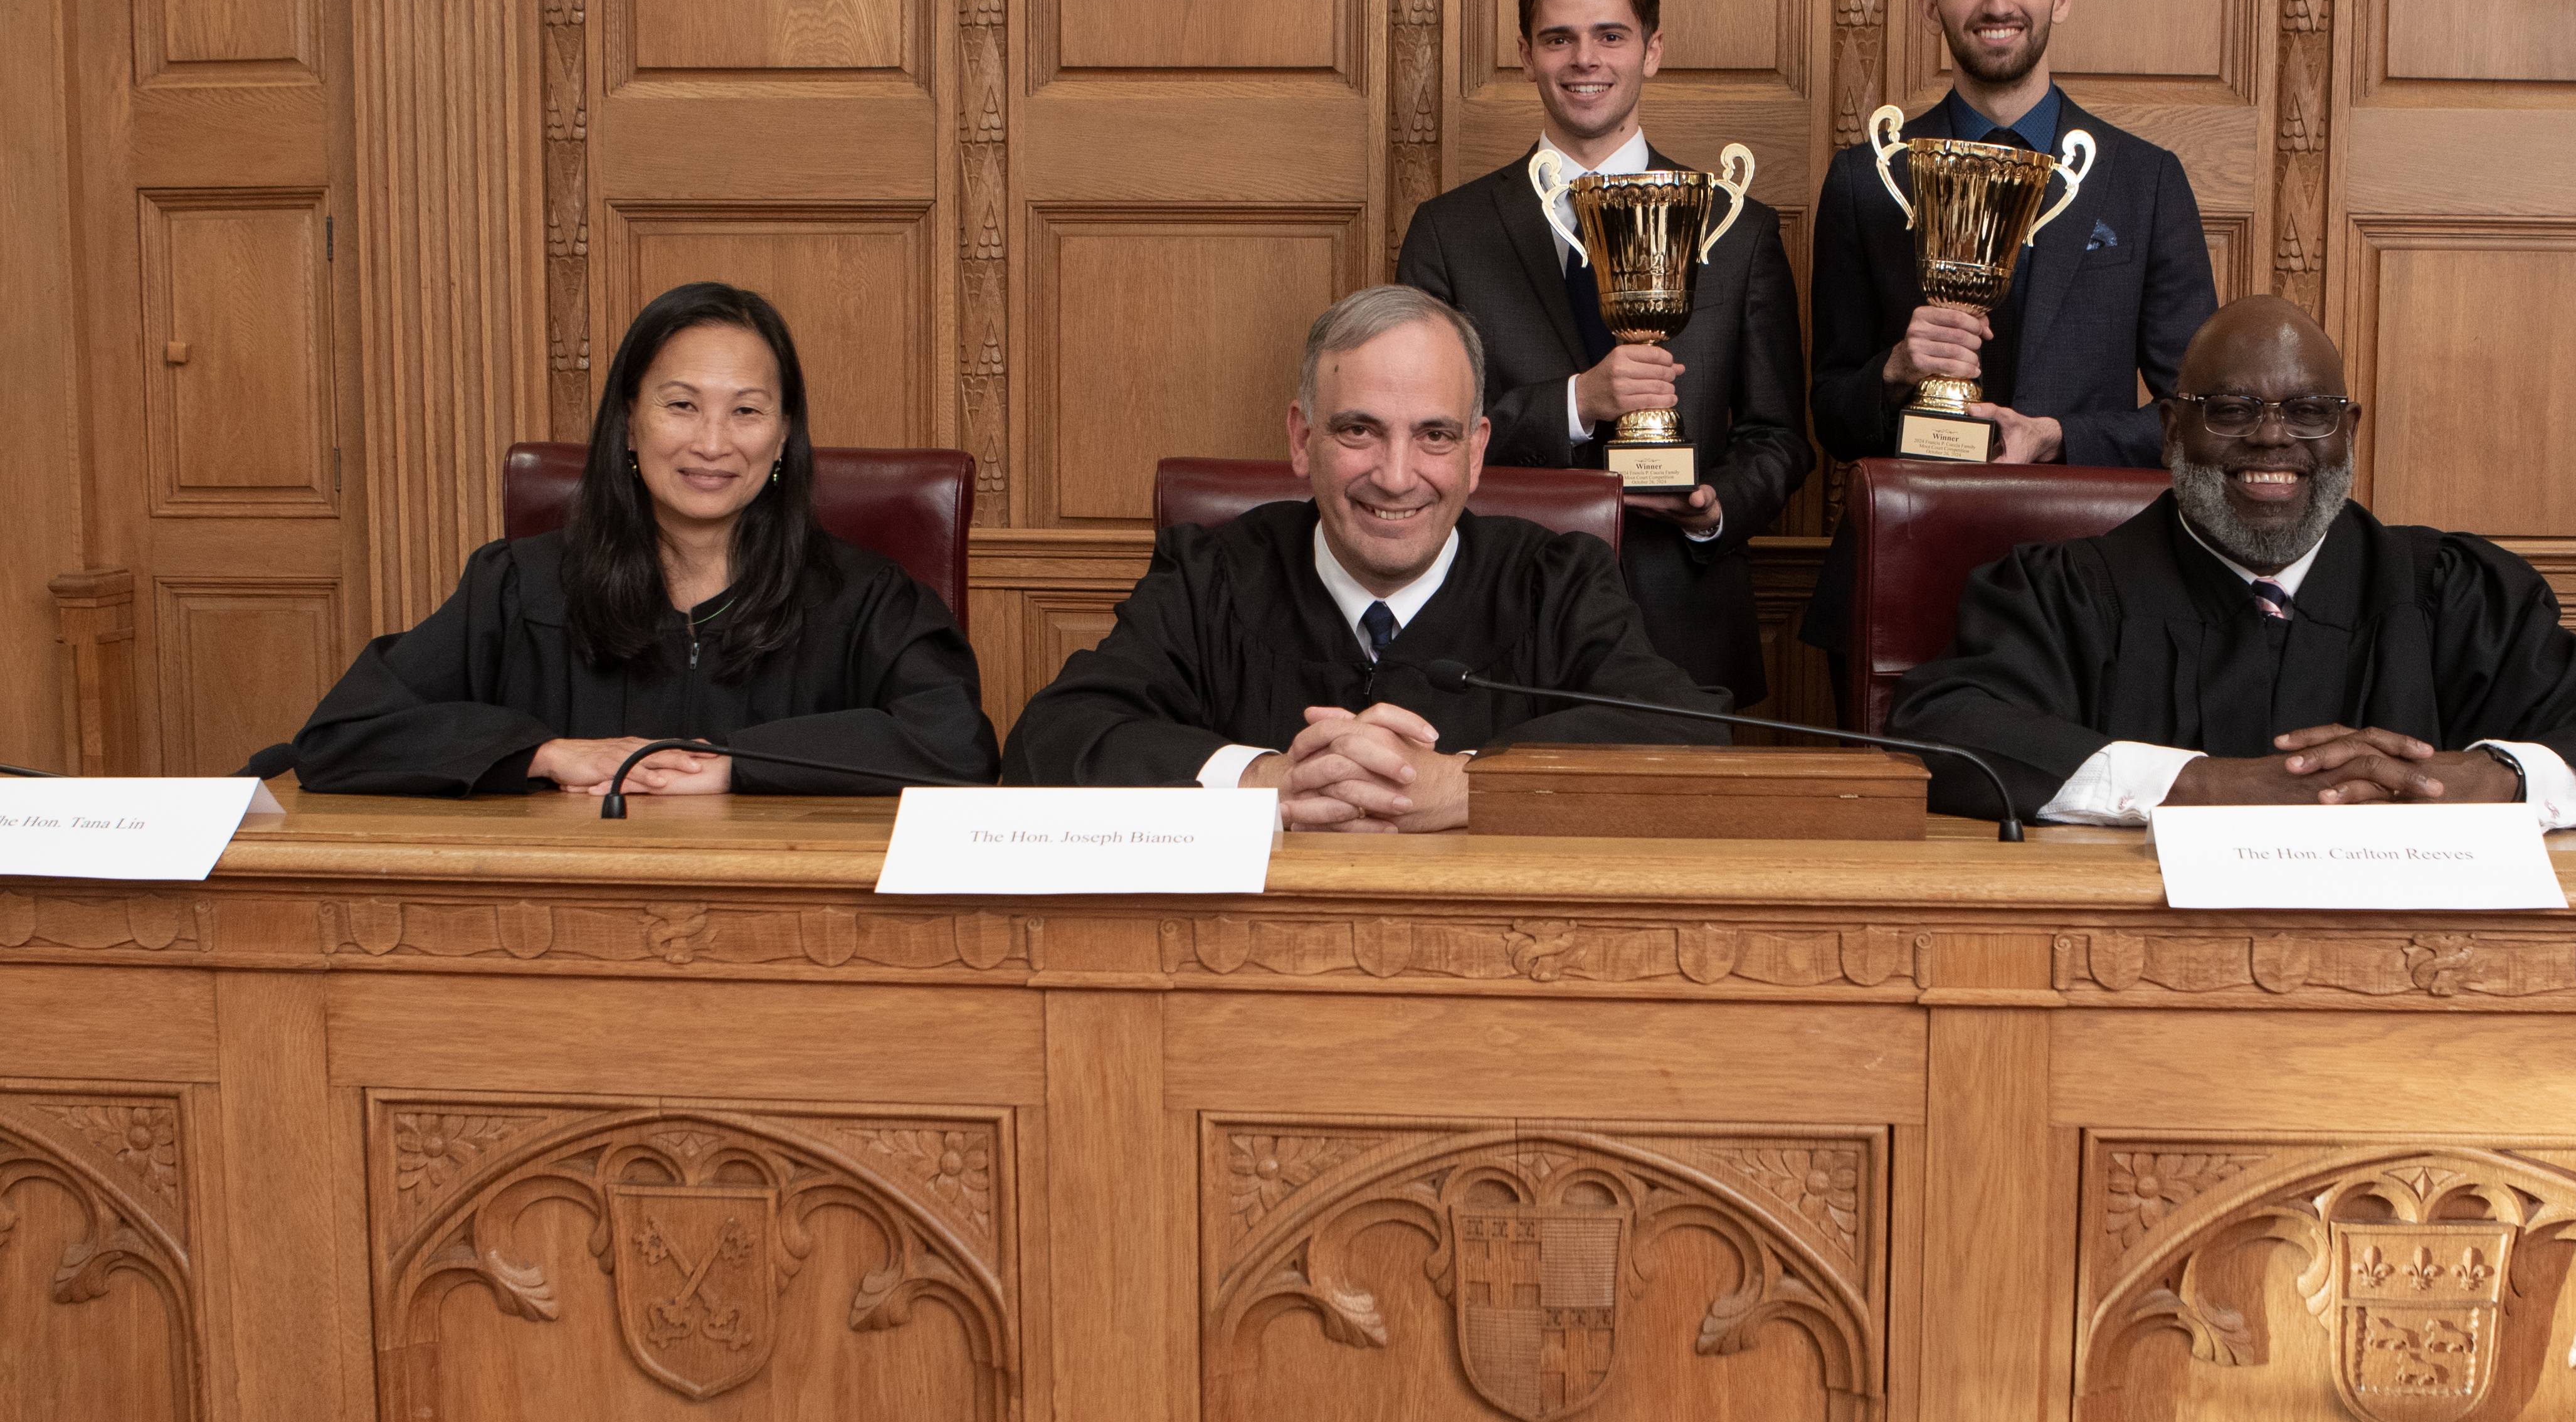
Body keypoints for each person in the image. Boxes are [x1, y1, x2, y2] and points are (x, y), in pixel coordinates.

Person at [1889, 295, 2576, 827]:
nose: (2274, 438)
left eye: (2310, 412)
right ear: (2171, 431)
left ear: (2349, 431)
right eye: (2230, 411)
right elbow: (1940, 735)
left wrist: (2489, 779)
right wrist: (2202, 785)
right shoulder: (2068, 595)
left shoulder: (2451, 591)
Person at [1001, 284, 1728, 827]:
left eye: (1435, 436)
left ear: (1477, 453)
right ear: (1300, 439)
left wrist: (1467, 785)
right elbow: (1050, 742)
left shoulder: (1555, 581)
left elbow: (1688, 734)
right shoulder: (1212, 576)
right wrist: (1262, 783)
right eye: (1359, 431)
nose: (1396, 474)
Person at [293, 282, 998, 797]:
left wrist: (734, 765)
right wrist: (542, 754)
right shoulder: (521, 589)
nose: (713, 443)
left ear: (784, 434)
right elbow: (340, 736)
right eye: (681, 405)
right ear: (630, 421)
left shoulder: (866, 600)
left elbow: (958, 746)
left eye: (747, 411)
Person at [1801, 0, 2220, 681]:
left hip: (2092, 585)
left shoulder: (2144, 181)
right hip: (1902, 574)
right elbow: (1829, 414)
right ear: (1931, 3)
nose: (1997, 2)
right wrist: (1893, 368)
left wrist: (2060, 438)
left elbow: (2197, 416)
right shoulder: (1865, 180)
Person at [1396, 0, 1810, 706]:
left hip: (1684, 623)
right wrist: (1577, 404)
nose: (1585, 59)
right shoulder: (1449, 233)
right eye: (1559, 38)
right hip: (1498, 617)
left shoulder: (1737, 229)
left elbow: (1779, 436)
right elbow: (1421, 431)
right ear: (1526, 54)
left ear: (1652, 51)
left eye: (1610, 35)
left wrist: (1718, 509)